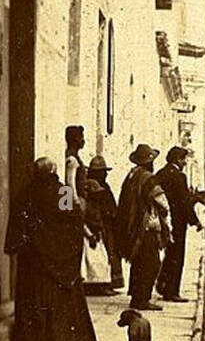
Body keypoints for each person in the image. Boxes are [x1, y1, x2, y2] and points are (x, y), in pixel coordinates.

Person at [3, 157, 98, 341]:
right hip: (60, 259)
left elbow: (18, 227)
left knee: (35, 300)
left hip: (34, 261)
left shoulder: (27, 193)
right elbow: (73, 217)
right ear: (53, 170)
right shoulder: (62, 192)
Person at [116, 144, 171, 310]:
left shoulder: (132, 175)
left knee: (138, 262)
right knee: (151, 263)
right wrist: (164, 212)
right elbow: (161, 200)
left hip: (132, 227)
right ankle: (142, 299)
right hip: (145, 227)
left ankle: (136, 296)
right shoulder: (147, 177)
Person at [154, 145, 202, 303]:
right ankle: (171, 291)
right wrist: (195, 221)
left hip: (163, 220)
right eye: (184, 159)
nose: (185, 163)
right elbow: (184, 202)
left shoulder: (161, 173)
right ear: (178, 160)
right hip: (177, 222)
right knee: (177, 255)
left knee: (169, 254)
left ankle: (163, 284)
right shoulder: (179, 176)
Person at [83, 154, 122, 294]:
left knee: (108, 254)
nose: (105, 174)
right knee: (101, 256)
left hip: (106, 224)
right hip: (99, 225)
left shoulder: (103, 185)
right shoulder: (91, 186)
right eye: (102, 172)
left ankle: (108, 283)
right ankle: (100, 285)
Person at [64, 125, 89, 211]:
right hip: (77, 198)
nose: (83, 140)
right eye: (81, 137)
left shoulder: (74, 158)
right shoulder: (72, 159)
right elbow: (70, 182)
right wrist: (76, 201)